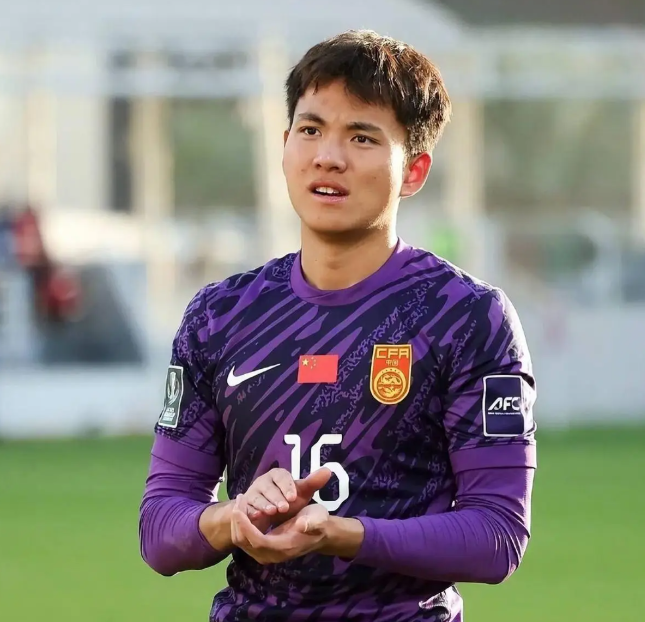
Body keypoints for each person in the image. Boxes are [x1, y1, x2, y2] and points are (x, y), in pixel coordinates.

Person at [139, 29, 537, 621]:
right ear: (284, 147)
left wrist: (342, 534)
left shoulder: (467, 316)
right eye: (310, 129)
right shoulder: (219, 316)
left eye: (362, 136)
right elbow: (160, 528)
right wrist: (233, 518)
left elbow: (496, 535)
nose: (329, 156)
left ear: (414, 171)